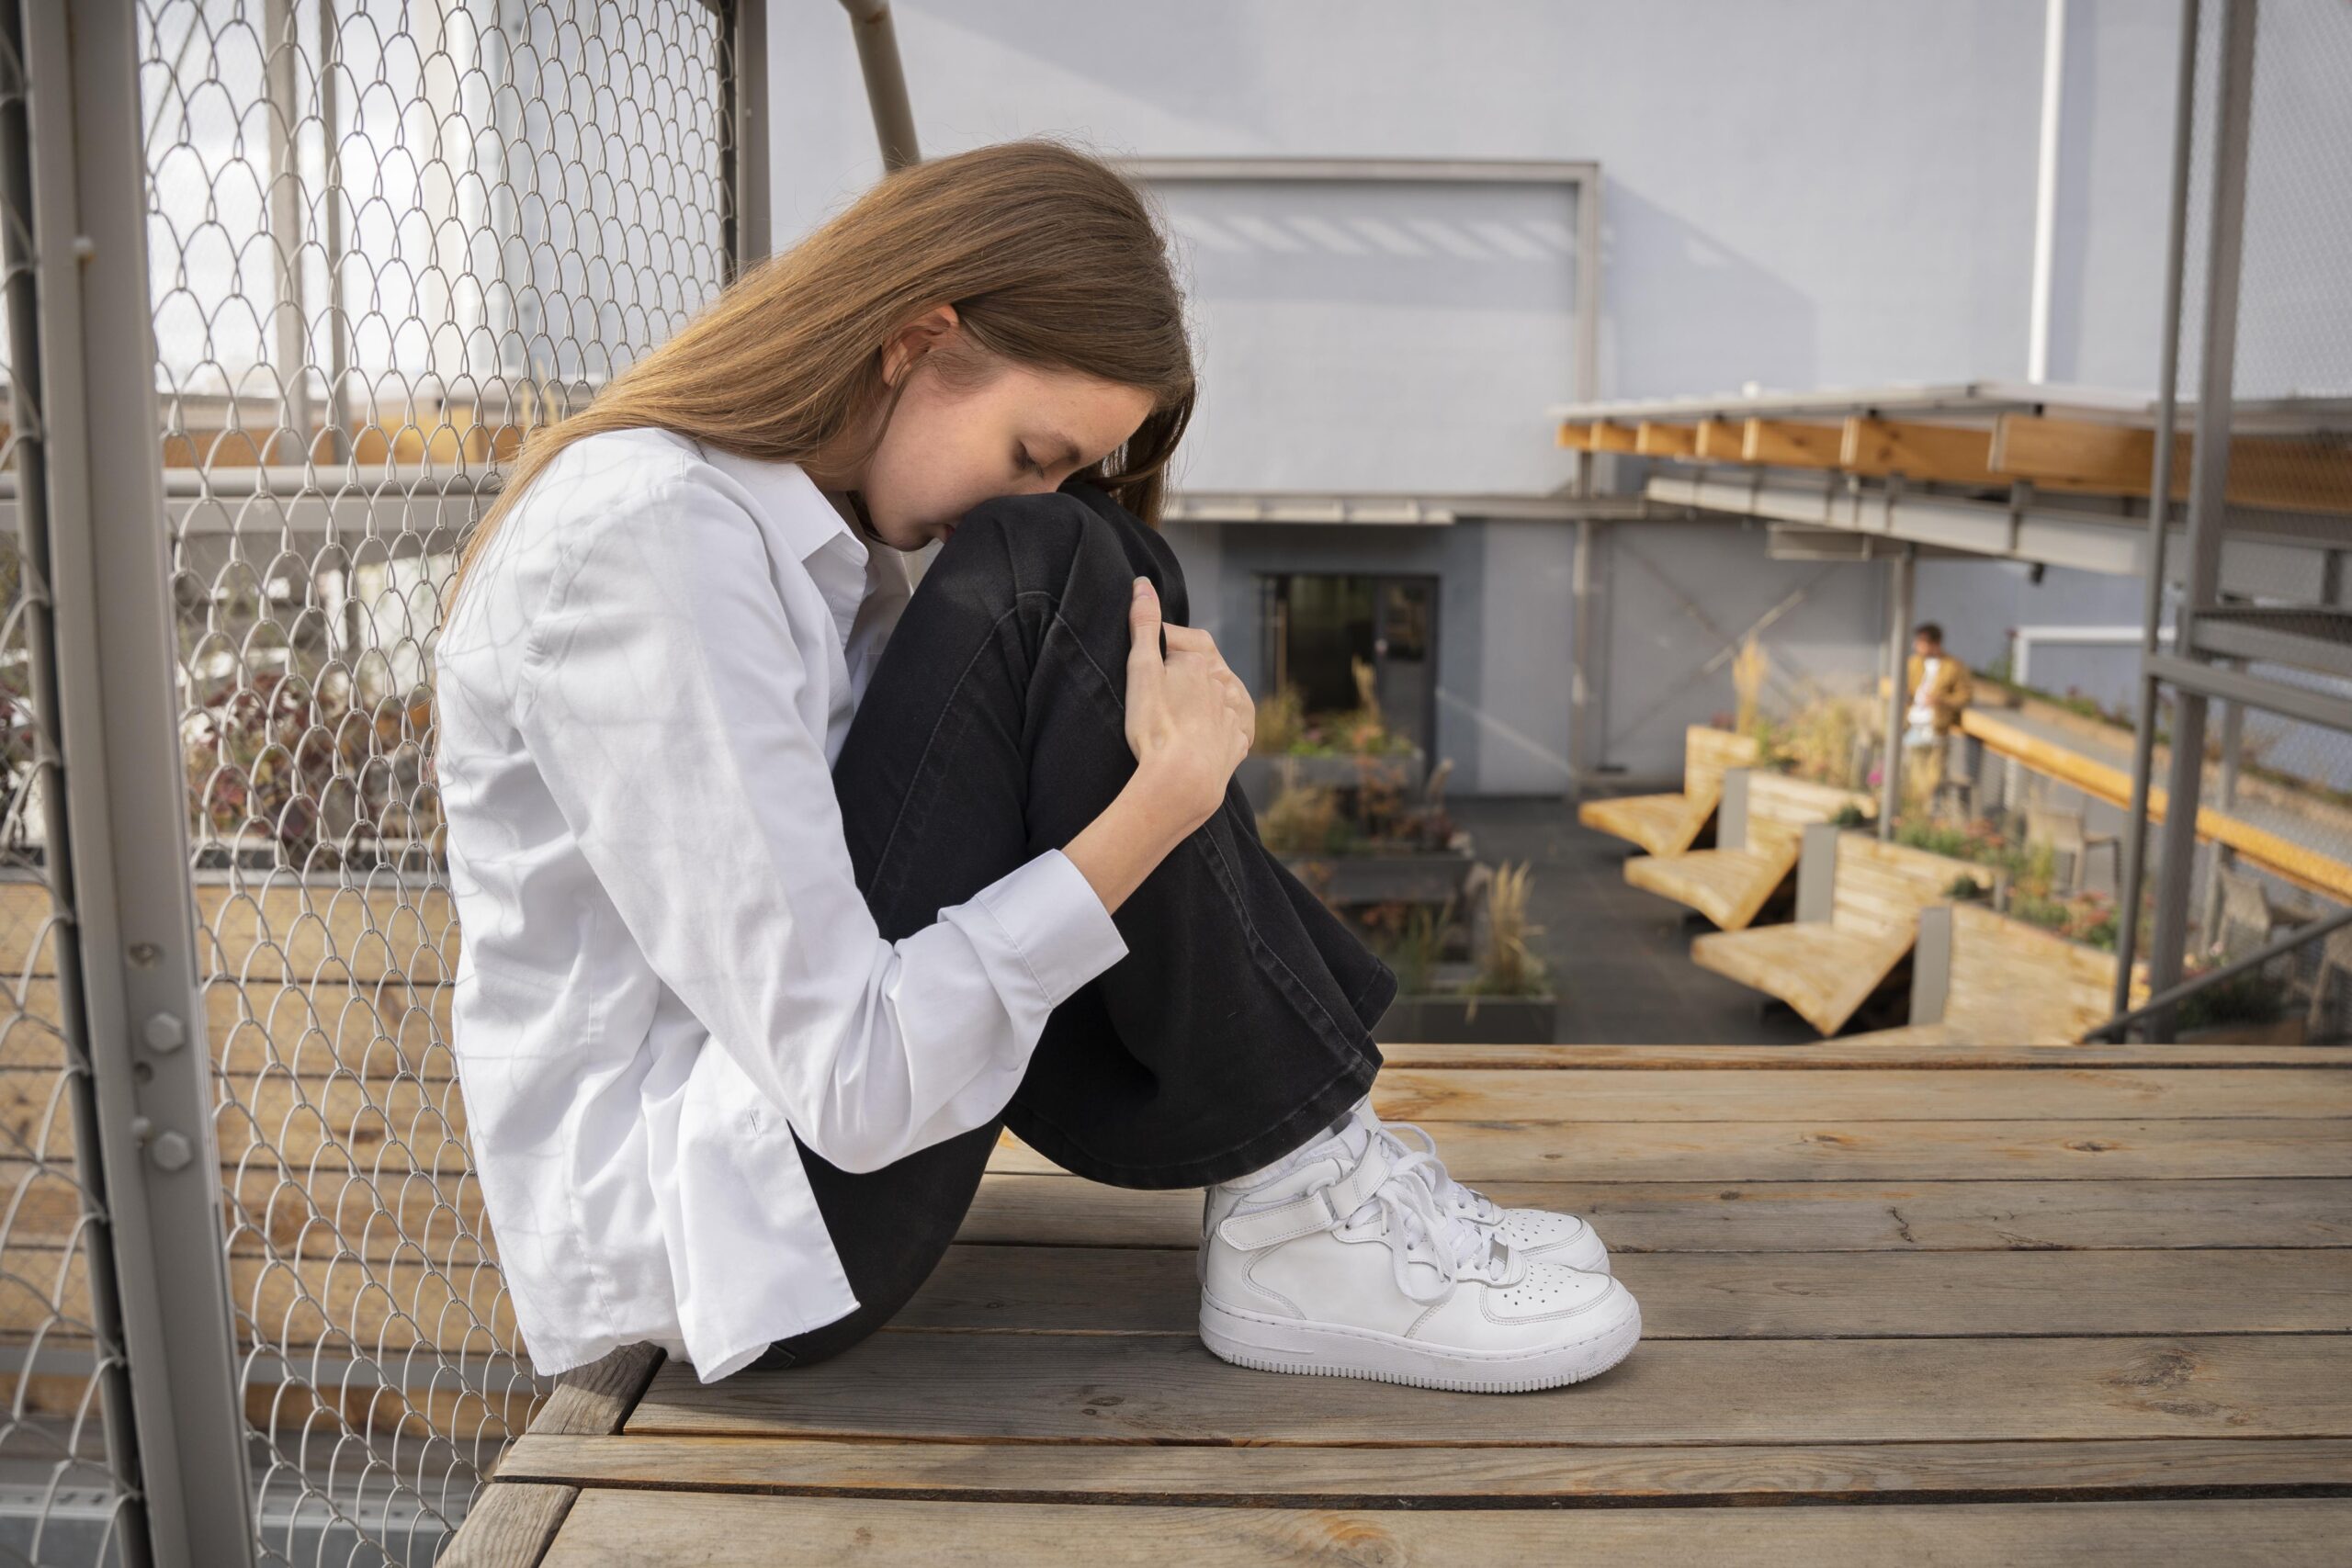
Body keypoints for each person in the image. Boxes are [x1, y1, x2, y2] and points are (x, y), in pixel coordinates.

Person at [432, 141, 1639, 1396]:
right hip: (742, 1243)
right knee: (1048, 575)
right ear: (916, 339)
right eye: (1031, 447)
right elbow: (849, 1084)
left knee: (1100, 565)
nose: (1036, 485)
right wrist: (1156, 808)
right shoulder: (653, 538)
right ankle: (1302, 1204)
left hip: (803, 1174)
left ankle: (1311, 1169)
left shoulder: (812, 543)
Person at [1904, 621, 1973, 798]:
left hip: (1937, 726)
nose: (1916, 646)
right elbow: (1905, 689)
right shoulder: (1913, 663)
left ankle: (1928, 813)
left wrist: (1940, 700)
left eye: (1921, 642)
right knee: (1915, 775)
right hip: (1914, 724)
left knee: (1934, 777)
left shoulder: (1953, 666)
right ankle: (1916, 812)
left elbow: (1965, 696)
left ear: (1935, 643)